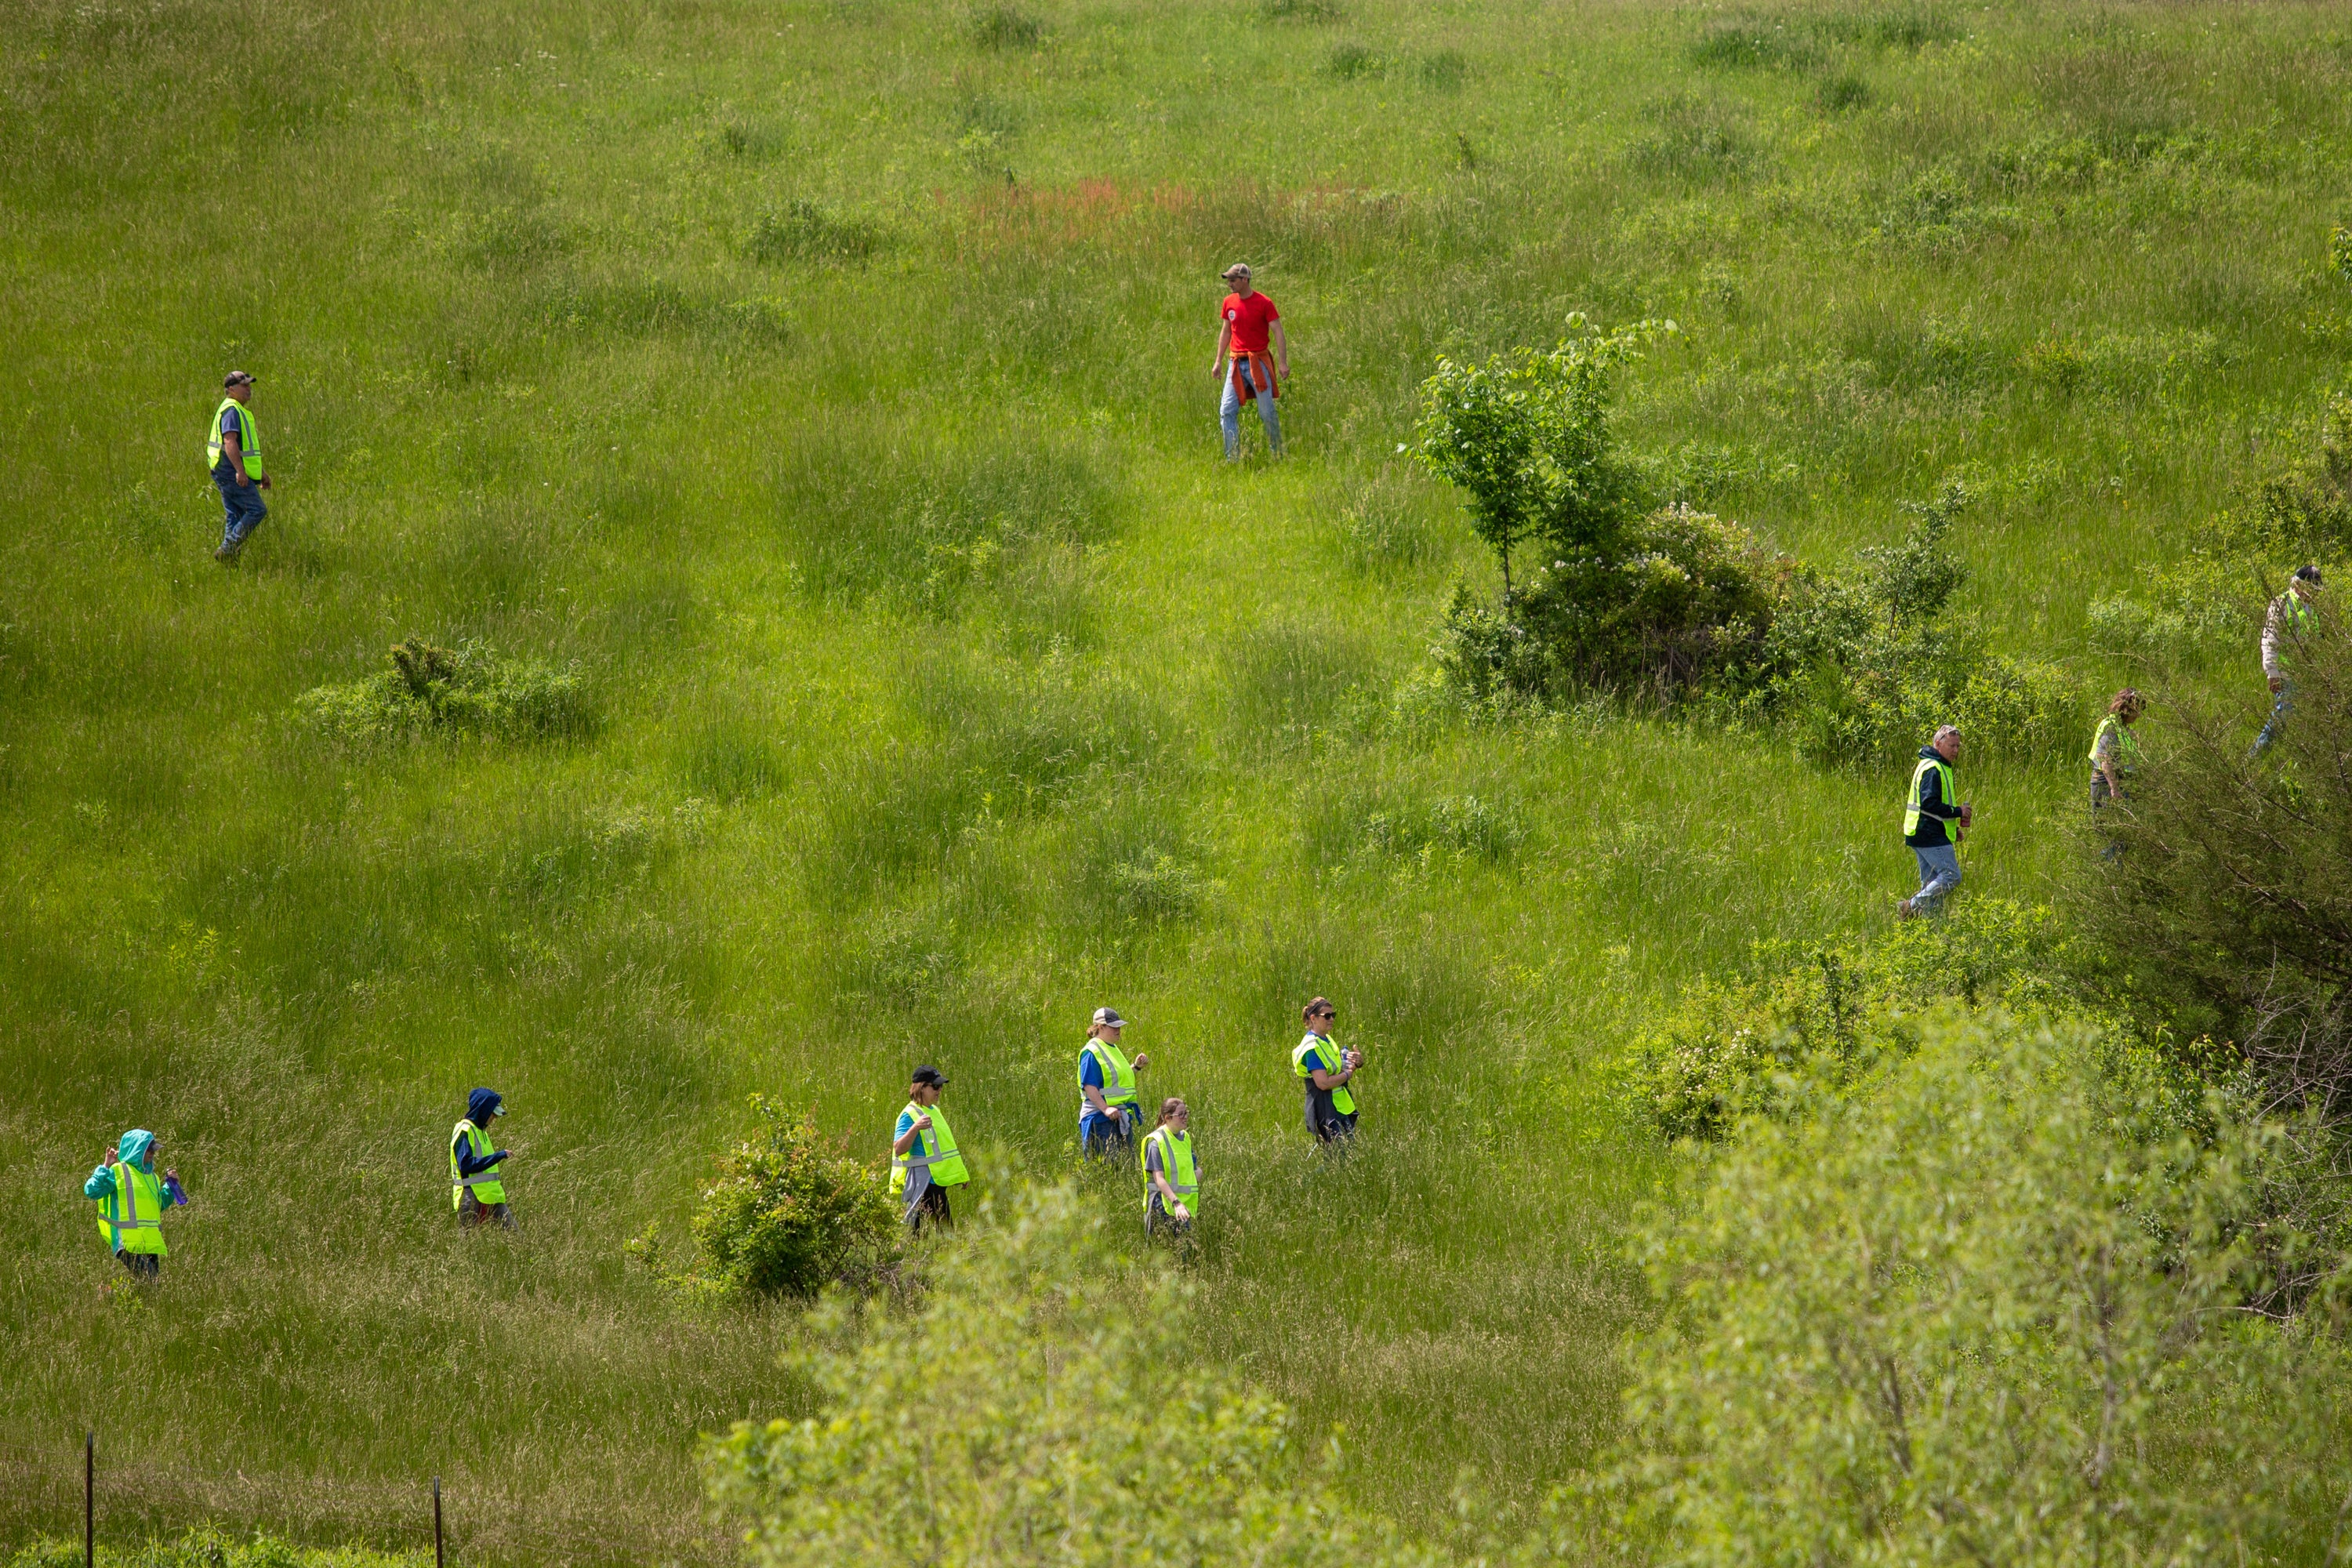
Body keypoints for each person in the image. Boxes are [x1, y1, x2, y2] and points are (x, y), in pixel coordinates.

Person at [85, 1129, 189, 1279]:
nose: (152, 1154)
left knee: (149, 1288)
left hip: (149, 1243)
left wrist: (170, 1188)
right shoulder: (117, 1171)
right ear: (137, 1150)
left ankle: (108, 1293)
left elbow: (157, 1207)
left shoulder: (152, 1178)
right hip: (127, 1243)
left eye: (153, 1150)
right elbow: (91, 1191)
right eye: (149, 1150)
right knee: (152, 1284)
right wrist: (105, 1166)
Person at [1213, 263, 1287, 460]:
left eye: (1233, 280)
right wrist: (1218, 361)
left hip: (1258, 362)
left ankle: (1277, 453)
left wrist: (1282, 363)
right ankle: (1233, 458)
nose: (1229, 284)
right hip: (1236, 362)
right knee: (1226, 411)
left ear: (1245, 280)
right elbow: (1226, 331)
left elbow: (1278, 331)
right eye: (1228, 280)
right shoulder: (1228, 302)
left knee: (1266, 412)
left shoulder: (1264, 303)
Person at [1898, 726, 1971, 918]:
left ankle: (1930, 930)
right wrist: (1958, 812)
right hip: (1928, 833)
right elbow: (1929, 803)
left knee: (1931, 883)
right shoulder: (1933, 768)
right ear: (1938, 744)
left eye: (1958, 746)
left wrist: (1952, 829)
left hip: (1922, 831)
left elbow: (1934, 806)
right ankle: (1911, 905)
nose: (1955, 751)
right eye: (1951, 746)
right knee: (1951, 876)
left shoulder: (1937, 765)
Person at [891, 1065, 971, 1233]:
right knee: (920, 1233)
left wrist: (960, 1175)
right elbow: (898, 1149)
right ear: (921, 1087)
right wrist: (915, 1128)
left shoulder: (934, 1111)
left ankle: (922, 1257)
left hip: (936, 1181)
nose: (939, 1090)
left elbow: (946, 1147)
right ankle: (905, 1257)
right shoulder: (909, 1114)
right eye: (935, 1086)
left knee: (940, 1232)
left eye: (941, 1086)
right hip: (923, 1183)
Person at [2255, 565, 2322, 754]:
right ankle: (2255, 759)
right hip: (2285, 674)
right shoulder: (2281, 604)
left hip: (2306, 674)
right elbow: (2270, 639)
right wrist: (2272, 673)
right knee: (2282, 717)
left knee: (2305, 720)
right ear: (2300, 585)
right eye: (2313, 589)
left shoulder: (2310, 607)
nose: (2315, 595)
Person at [206, 370, 272, 564]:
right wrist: (240, 472)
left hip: (225, 470)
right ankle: (227, 549)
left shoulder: (236, 409)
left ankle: (229, 561)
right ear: (231, 389)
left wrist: (260, 473)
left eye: (249, 385)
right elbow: (230, 442)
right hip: (229, 471)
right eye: (245, 386)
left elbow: (246, 449)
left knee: (235, 515)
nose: (249, 389)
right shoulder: (232, 410)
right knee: (257, 510)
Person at [1078, 1007, 1149, 1158]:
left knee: (1125, 1166)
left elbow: (1115, 1081)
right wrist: (1105, 1109)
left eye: (1119, 1026)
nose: (1118, 1030)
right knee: (1108, 1167)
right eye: (1114, 1027)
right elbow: (1089, 1085)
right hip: (1101, 1120)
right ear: (1100, 1027)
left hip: (1118, 1117)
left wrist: (1136, 1067)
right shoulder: (1092, 1051)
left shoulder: (1113, 1048)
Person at [1292, 997, 1361, 1144]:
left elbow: (1335, 1068)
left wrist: (1356, 1062)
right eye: (1327, 1016)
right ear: (1313, 1018)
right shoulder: (1312, 1047)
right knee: (1338, 1157)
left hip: (1341, 1106)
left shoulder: (1327, 1039)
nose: (1332, 1019)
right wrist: (1348, 1074)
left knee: (1348, 1155)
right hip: (1327, 1109)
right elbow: (1323, 1083)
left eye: (1333, 1015)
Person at [450, 1088, 514, 1229]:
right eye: (493, 1114)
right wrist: (498, 1156)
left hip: (492, 1196)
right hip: (470, 1196)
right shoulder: (465, 1130)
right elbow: (466, 1165)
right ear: (483, 1110)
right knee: (467, 1244)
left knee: (517, 1238)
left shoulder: (481, 1132)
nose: (495, 1118)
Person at [1140, 1098, 1199, 1239]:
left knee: (1186, 1250)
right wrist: (1176, 1203)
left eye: (1186, 1113)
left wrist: (1197, 1174)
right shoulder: (1156, 1142)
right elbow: (1158, 1178)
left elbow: (1189, 1169)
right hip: (1163, 1204)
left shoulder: (1185, 1137)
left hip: (1182, 1205)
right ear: (1167, 1118)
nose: (1186, 1118)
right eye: (1181, 1114)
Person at [2091, 688, 2145, 809]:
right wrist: (2114, 789)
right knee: (2106, 825)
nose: (2138, 715)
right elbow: (2104, 759)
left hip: (2121, 782)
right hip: (2106, 784)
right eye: (2136, 710)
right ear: (2125, 709)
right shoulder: (2111, 727)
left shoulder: (2123, 729)